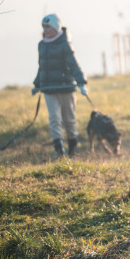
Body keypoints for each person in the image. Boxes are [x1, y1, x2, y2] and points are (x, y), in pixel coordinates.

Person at [31, 14, 88, 158]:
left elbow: (73, 64)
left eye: (48, 27)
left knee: (69, 120)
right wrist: (37, 84)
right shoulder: (42, 45)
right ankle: (59, 150)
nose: (46, 30)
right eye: (44, 27)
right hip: (49, 89)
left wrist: (81, 83)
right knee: (54, 119)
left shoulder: (65, 44)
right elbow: (42, 67)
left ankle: (73, 149)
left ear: (56, 26)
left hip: (66, 88)